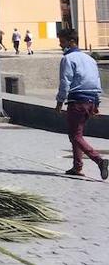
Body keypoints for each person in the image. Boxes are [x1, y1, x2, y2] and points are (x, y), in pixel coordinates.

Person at [55, 28, 108, 179]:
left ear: (71, 42)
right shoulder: (90, 59)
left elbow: (65, 82)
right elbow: (97, 81)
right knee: (77, 134)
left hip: (77, 101)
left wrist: (59, 102)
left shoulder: (68, 59)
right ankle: (77, 166)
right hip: (90, 100)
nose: (60, 45)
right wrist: (96, 104)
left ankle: (99, 160)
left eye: (62, 42)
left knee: (75, 135)